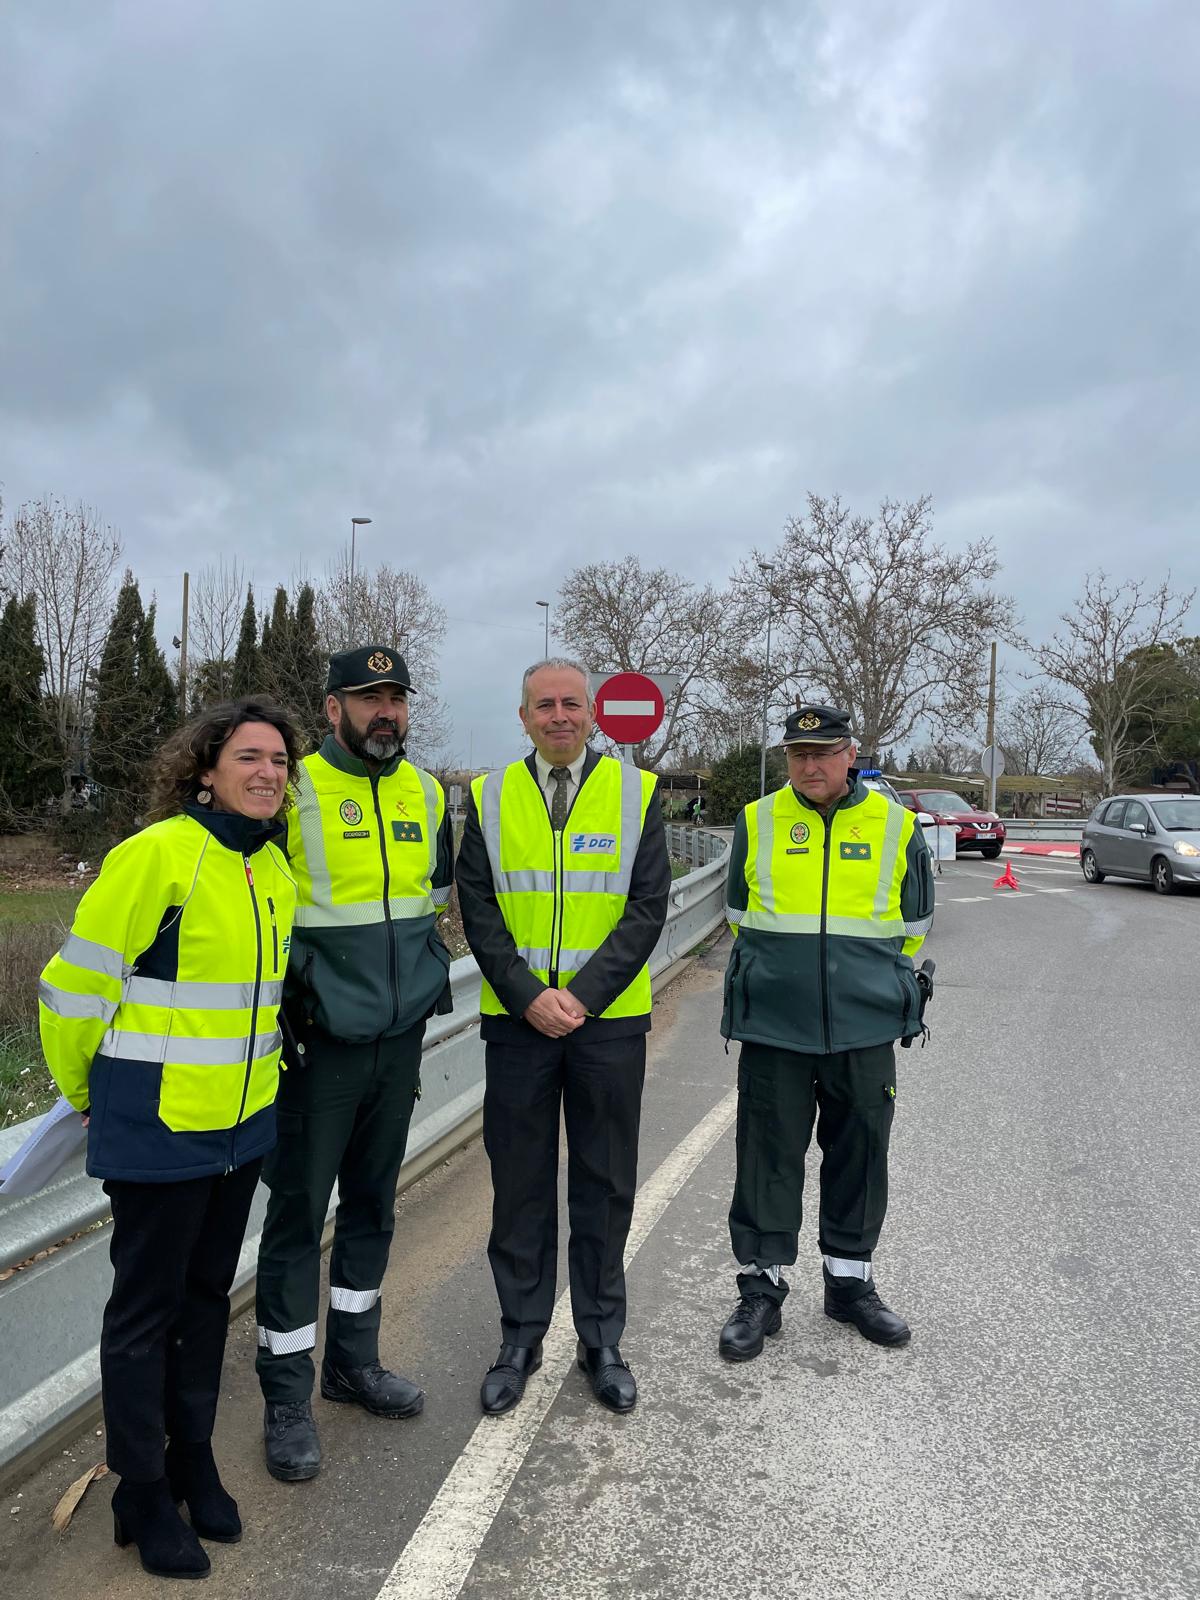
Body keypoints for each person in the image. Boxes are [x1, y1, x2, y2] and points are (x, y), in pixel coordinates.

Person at [39, 699, 301, 1580]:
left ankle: (193, 1459)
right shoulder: (155, 856)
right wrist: (87, 1095)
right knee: (145, 1314)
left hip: (241, 1129)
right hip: (157, 1128)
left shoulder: (272, 867)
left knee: (206, 1302)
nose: (268, 772)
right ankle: (142, 1489)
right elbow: (72, 992)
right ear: (205, 771)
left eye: (280, 761)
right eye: (249, 756)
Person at [255, 645, 453, 1482]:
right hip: (318, 1046)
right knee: (298, 1219)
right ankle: (286, 1396)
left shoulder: (428, 793)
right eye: (369, 697)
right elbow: (257, 907)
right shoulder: (291, 788)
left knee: (373, 1205)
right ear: (332, 708)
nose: (386, 712)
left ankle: (352, 1363)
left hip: (397, 1041)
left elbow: (433, 902)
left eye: (396, 698)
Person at [456, 658, 671, 1416]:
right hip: (518, 1027)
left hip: (606, 1025)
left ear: (591, 714)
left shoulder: (637, 793)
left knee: (605, 1185)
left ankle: (601, 1338)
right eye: (543, 705)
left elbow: (647, 908)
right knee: (519, 1185)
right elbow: (477, 906)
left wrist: (578, 997)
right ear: (523, 718)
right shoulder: (487, 796)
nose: (558, 716)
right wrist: (527, 997)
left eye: (571, 704)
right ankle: (520, 1337)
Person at [717, 704, 935, 1362]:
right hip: (774, 1025)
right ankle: (761, 1290)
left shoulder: (897, 825)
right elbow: (737, 915)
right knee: (767, 1156)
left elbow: (915, 924)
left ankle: (849, 1285)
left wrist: (863, 981)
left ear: (850, 755)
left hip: (863, 1027)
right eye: (797, 754)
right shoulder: (757, 820)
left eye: (822, 753)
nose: (809, 765)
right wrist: (785, 976)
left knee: (860, 1154)